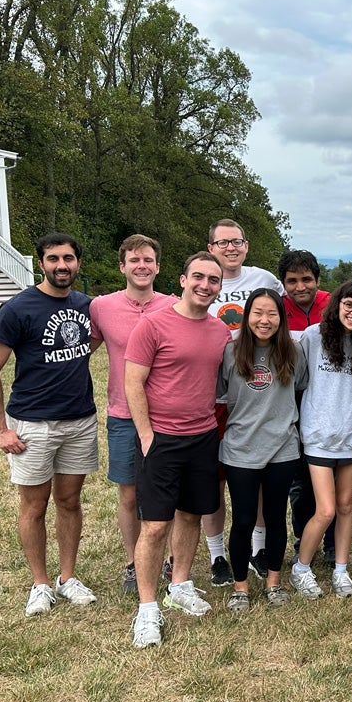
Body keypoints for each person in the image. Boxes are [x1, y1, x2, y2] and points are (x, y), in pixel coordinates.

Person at [0, 232, 99, 617]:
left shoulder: (86, 305)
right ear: (41, 263)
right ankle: (40, 583)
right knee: (34, 505)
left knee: (70, 501)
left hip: (80, 420)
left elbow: (87, 345)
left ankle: (67, 577)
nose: (61, 265)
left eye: (68, 258)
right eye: (53, 259)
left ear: (78, 262)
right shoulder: (18, 308)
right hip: (32, 423)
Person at [125, 252, 231, 648]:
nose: (205, 285)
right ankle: (148, 607)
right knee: (154, 526)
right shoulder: (153, 325)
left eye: (214, 280)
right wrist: (147, 435)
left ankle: (180, 584)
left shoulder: (220, 331)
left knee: (190, 515)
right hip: (161, 439)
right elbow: (133, 382)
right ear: (183, 279)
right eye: (199, 277)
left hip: (203, 436)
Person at [88, 234, 176, 591]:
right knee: (129, 493)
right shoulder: (101, 307)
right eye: (135, 260)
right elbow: (83, 351)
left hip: (169, 414)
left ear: (157, 266)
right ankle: (131, 561)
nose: (142, 266)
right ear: (122, 266)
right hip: (123, 412)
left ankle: (170, 561)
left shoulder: (174, 305)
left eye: (149, 260)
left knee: (171, 492)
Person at [203, 218, 285, 587]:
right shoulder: (204, 277)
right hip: (215, 386)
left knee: (263, 473)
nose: (230, 248)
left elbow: (293, 310)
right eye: (222, 243)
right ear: (211, 248)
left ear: (246, 246)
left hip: (258, 386)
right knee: (217, 481)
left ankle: (258, 549)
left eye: (236, 242)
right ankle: (217, 553)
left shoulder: (265, 280)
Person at [217, 288, 307, 612]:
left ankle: (273, 581)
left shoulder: (293, 353)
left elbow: (299, 391)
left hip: (282, 448)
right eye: (258, 313)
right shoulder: (229, 353)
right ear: (246, 315)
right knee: (242, 520)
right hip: (240, 449)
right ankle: (240, 586)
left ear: (281, 318)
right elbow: (219, 395)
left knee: (274, 517)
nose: (264, 320)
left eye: (272, 313)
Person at [291, 280, 352, 599]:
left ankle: (341, 569)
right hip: (319, 436)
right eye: (349, 305)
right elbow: (297, 381)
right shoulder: (312, 337)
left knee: (344, 506)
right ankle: (301, 568)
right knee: (325, 510)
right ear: (337, 304)